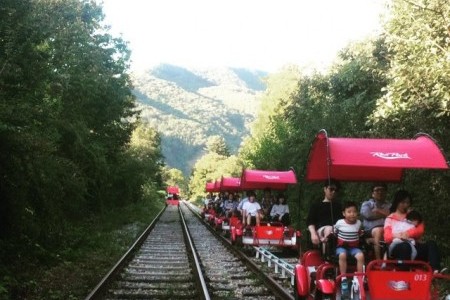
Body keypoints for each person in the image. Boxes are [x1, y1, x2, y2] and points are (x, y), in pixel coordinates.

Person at [384, 190, 442, 272]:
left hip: (413, 244)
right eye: (403, 202)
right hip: (398, 247)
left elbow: (420, 229)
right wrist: (400, 235)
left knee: (431, 244)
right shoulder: (390, 218)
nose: (406, 205)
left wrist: (407, 233)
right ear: (397, 202)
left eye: (407, 203)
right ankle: (404, 274)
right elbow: (387, 237)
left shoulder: (413, 215)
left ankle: (435, 270)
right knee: (405, 247)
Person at [334, 201, 364, 297]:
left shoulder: (359, 223)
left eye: (354, 212)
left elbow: (359, 232)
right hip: (342, 247)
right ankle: (343, 278)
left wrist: (361, 233)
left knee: (361, 256)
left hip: (354, 248)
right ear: (344, 213)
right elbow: (334, 232)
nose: (352, 214)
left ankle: (360, 278)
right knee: (342, 255)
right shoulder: (340, 222)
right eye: (349, 212)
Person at [306, 179, 343, 248]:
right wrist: (313, 234)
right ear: (325, 189)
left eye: (336, 190)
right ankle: (326, 253)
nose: (334, 192)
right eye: (331, 189)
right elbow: (310, 222)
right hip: (321, 231)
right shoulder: (316, 205)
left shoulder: (339, 206)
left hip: (337, 231)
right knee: (329, 229)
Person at [360, 183, 391, 260]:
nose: (380, 192)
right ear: (372, 193)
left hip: (387, 230)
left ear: (386, 192)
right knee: (378, 230)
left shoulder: (390, 205)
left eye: (382, 190)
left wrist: (378, 211)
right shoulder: (367, 204)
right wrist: (385, 214)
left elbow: (394, 216)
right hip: (370, 231)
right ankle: (378, 261)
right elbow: (368, 215)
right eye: (377, 190)